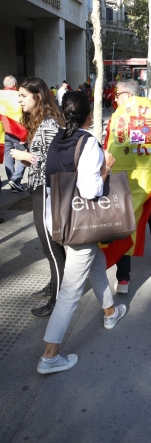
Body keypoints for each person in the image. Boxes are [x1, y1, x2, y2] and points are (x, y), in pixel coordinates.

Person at [36, 91, 126, 374]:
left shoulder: (59, 139)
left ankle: (110, 312)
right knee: (71, 291)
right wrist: (106, 169)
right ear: (89, 115)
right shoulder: (87, 143)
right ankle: (50, 356)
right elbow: (90, 190)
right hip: (81, 225)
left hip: (59, 221)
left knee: (95, 263)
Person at [102, 79, 151, 293]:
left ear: (128, 95)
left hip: (123, 180)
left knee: (125, 224)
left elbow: (107, 147)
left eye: (117, 94)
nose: (115, 98)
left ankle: (123, 279)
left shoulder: (118, 117)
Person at [8, 78, 66, 317]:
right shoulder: (42, 121)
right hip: (42, 187)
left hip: (47, 188)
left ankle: (59, 298)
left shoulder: (49, 123)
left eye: (23, 96)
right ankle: (55, 286)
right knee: (49, 246)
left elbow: (55, 160)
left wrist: (26, 156)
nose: (19, 100)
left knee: (51, 247)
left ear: (38, 97)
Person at [0, 76, 27, 193]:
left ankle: (12, 181)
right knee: (24, 154)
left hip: (2, 131)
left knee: (9, 157)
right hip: (17, 131)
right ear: (15, 85)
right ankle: (16, 180)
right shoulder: (18, 96)